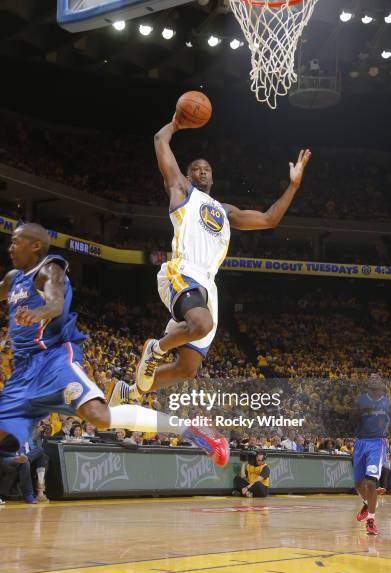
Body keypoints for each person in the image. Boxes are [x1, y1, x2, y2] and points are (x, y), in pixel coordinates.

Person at [111, 117, 310, 401]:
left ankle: (128, 392)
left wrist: (294, 185)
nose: (201, 172)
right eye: (196, 169)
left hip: (208, 284)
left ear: (213, 178)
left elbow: (269, 219)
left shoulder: (225, 210)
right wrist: (176, 123)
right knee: (201, 325)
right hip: (183, 269)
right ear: (187, 176)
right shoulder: (182, 192)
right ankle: (156, 348)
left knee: (186, 369)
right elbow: (159, 140)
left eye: (207, 169)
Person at [0, 223, 229, 467]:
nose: (10, 248)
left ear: (35, 246)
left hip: (51, 361)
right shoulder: (13, 279)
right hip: (23, 372)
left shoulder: (49, 270)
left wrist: (38, 312)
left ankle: (191, 430)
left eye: (16, 242)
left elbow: (55, 303)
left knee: (99, 417)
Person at [352, 374, 391, 535]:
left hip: (377, 443)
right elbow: (351, 419)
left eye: (377, 378)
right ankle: (369, 501)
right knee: (358, 484)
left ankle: (371, 521)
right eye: (371, 378)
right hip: (360, 442)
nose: (374, 379)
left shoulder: (387, 402)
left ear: (381, 383)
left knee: (370, 483)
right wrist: (363, 410)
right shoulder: (360, 400)